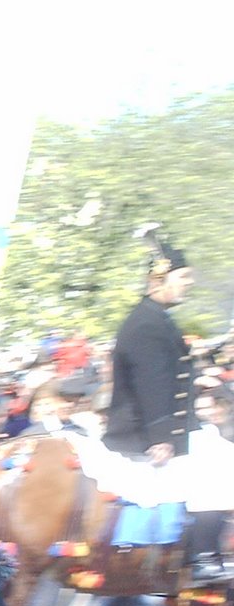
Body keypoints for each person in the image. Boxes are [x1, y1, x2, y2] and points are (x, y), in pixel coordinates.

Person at [104, 229, 218, 583]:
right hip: (143, 432)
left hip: (172, 424)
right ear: (158, 280)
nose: (188, 284)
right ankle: (201, 556)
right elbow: (151, 383)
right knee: (217, 469)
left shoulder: (157, 318)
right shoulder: (146, 323)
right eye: (183, 277)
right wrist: (161, 437)